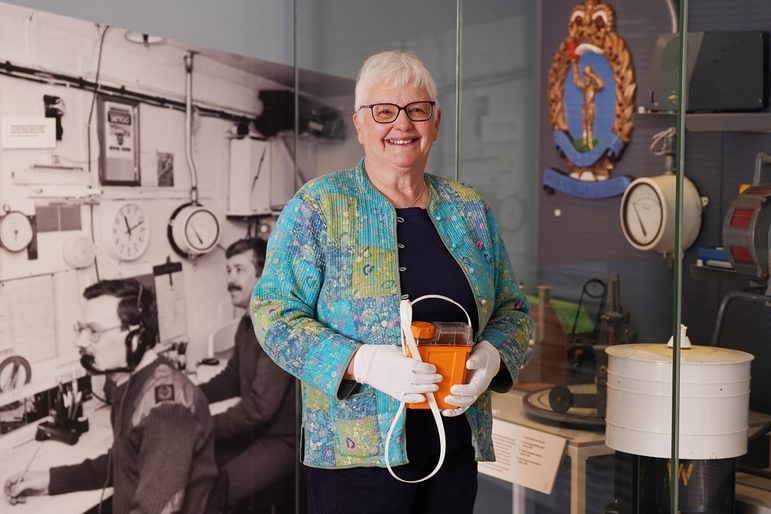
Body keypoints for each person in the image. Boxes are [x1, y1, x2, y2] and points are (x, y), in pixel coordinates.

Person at [250, 50, 531, 514]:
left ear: (435, 122)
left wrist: (492, 356)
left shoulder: (469, 210)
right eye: (384, 111)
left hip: (454, 447)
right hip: (354, 460)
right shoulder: (318, 207)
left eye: (416, 109)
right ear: (360, 124)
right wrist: (364, 363)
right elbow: (272, 316)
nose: (402, 124)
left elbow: (513, 311)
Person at [3, 279, 219, 513]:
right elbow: (126, 461)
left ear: (136, 336)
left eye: (94, 331)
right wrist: (52, 480)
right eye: (80, 329)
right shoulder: (129, 383)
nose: (80, 342)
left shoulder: (166, 409)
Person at [198, 238, 295, 511]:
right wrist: (190, 397)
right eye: (228, 271)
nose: (230, 279)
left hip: (283, 440)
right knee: (198, 464)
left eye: (239, 270)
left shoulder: (277, 325)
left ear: (263, 274)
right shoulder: (248, 321)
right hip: (257, 432)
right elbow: (231, 378)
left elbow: (259, 408)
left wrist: (202, 427)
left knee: (216, 489)